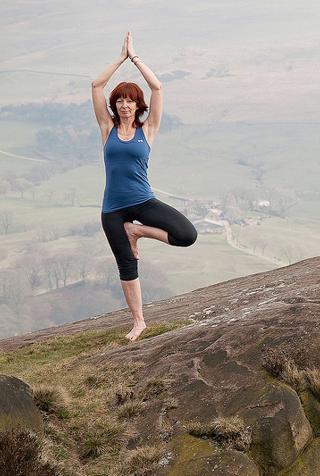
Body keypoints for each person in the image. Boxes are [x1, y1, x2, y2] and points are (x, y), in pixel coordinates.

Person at [91, 31, 197, 341]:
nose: (124, 105)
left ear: (139, 105)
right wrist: (119, 59)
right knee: (126, 263)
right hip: (112, 207)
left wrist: (135, 58)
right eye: (120, 100)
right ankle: (139, 322)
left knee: (186, 235)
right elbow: (96, 85)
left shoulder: (147, 129)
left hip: (142, 202)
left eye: (130, 101)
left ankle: (136, 231)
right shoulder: (106, 127)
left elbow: (157, 86)